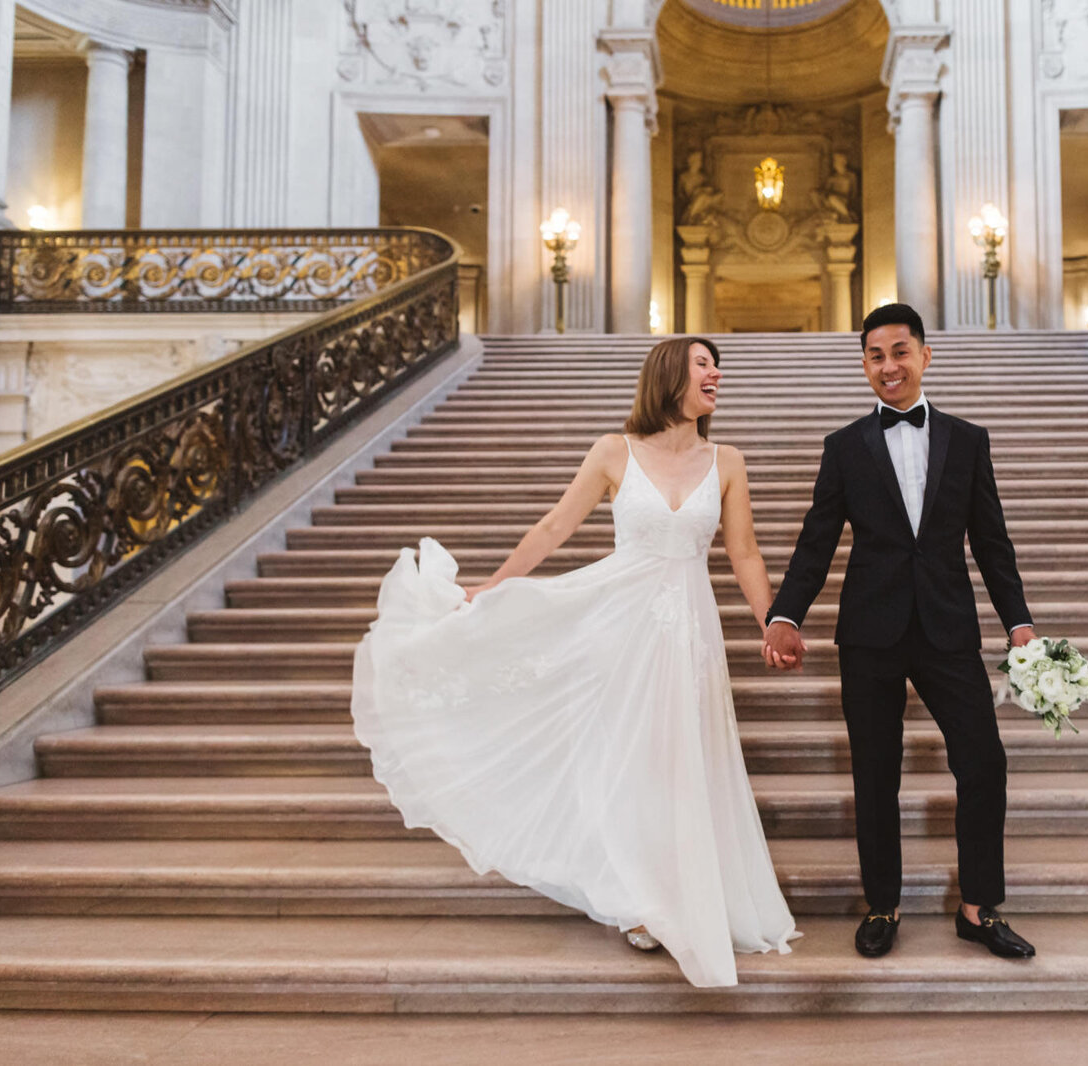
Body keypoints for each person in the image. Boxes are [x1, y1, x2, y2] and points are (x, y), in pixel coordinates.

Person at [351, 336, 799, 989]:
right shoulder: (614, 450)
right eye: (703, 364)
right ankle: (642, 899)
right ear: (669, 375)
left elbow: (745, 553)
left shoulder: (726, 460)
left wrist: (772, 621)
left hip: (688, 630)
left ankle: (689, 890)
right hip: (619, 624)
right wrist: (493, 586)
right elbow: (555, 527)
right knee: (632, 758)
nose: (716, 374)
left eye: (716, 365)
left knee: (683, 758)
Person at [762, 303, 1039, 961]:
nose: (889, 365)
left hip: (948, 627)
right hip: (869, 631)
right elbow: (816, 540)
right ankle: (882, 904)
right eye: (876, 355)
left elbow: (992, 543)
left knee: (983, 761)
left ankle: (977, 907)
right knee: (874, 771)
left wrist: (1019, 621)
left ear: (924, 355)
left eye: (899, 351)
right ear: (865, 365)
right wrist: (785, 613)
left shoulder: (968, 440)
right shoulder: (844, 446)